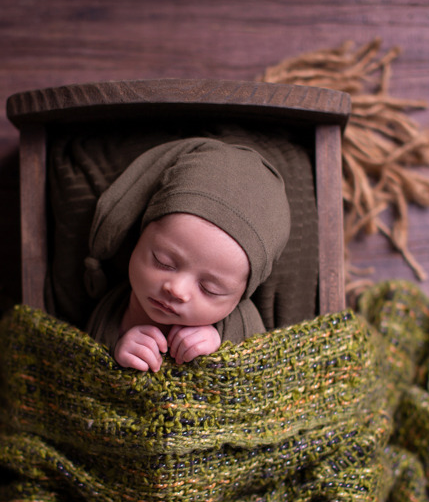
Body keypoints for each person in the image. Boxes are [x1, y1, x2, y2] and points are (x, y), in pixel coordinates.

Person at [82, 138, 291, 371]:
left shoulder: (239, 319)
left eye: (210, 289)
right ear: (138, 239)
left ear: (240, 297)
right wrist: (117, 348)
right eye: (164, 262)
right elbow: (81, 366)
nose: (177, 290)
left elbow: (263, 375)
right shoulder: (113, 307)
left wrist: (222, 346)